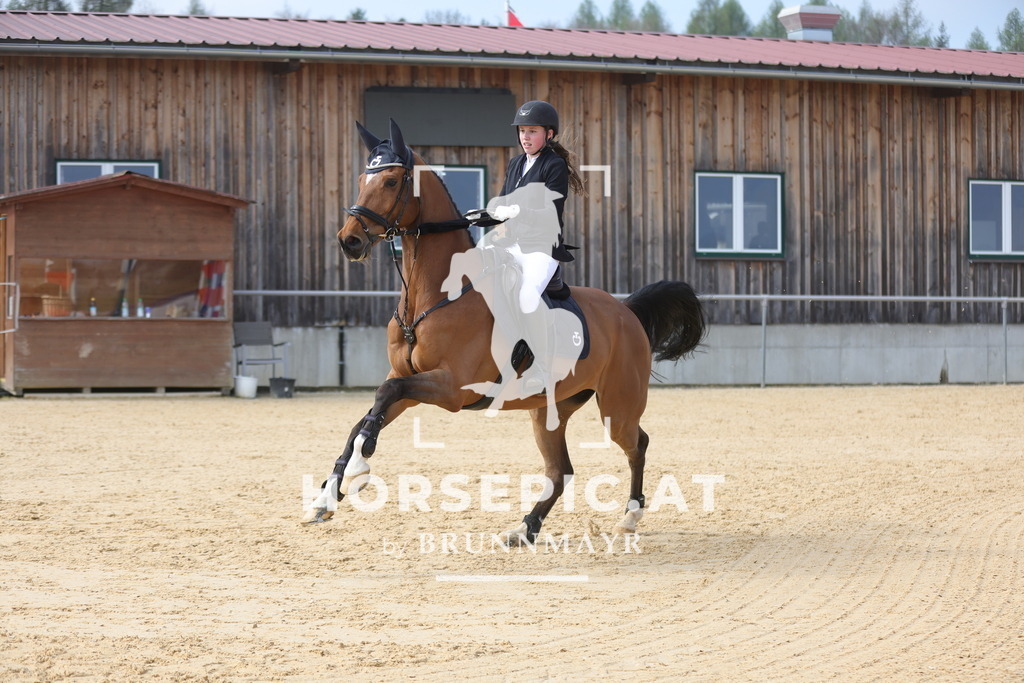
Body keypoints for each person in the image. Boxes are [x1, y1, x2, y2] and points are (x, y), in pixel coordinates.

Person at [490, 99, 585, 314]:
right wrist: (480, 215)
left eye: (532, 131)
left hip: (540, 249)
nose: (525, 137)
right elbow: (502, 201)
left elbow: (550, 214)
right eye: (522, 131)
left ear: (549, 134)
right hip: (511, 243)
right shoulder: (516, 163)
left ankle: (537, 347)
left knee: (527, 297)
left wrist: (516, 211)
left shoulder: (554, 165)